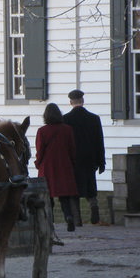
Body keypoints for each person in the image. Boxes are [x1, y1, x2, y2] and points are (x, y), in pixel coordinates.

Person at [63, 89, 106, 225]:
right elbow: (99, 141)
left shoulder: (65, 120)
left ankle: (77, 220)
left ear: (70, 102)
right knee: (90, 188)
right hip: (90, 159)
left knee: (74, 191)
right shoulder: (94, 118)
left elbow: (65, 144)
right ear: (83, 101)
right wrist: (101, 162)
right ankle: (94, 208)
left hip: (74, 160)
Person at [35, 103, 79, 232]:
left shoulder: (42, 131)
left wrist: (38, 163)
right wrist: (72, 163)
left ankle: (50, 221)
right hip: (64, 164)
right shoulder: (67, 129)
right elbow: (72, 149)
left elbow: (40, 150)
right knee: (64, 197)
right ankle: (69, 217)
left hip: (47, 166)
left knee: (47, 196)